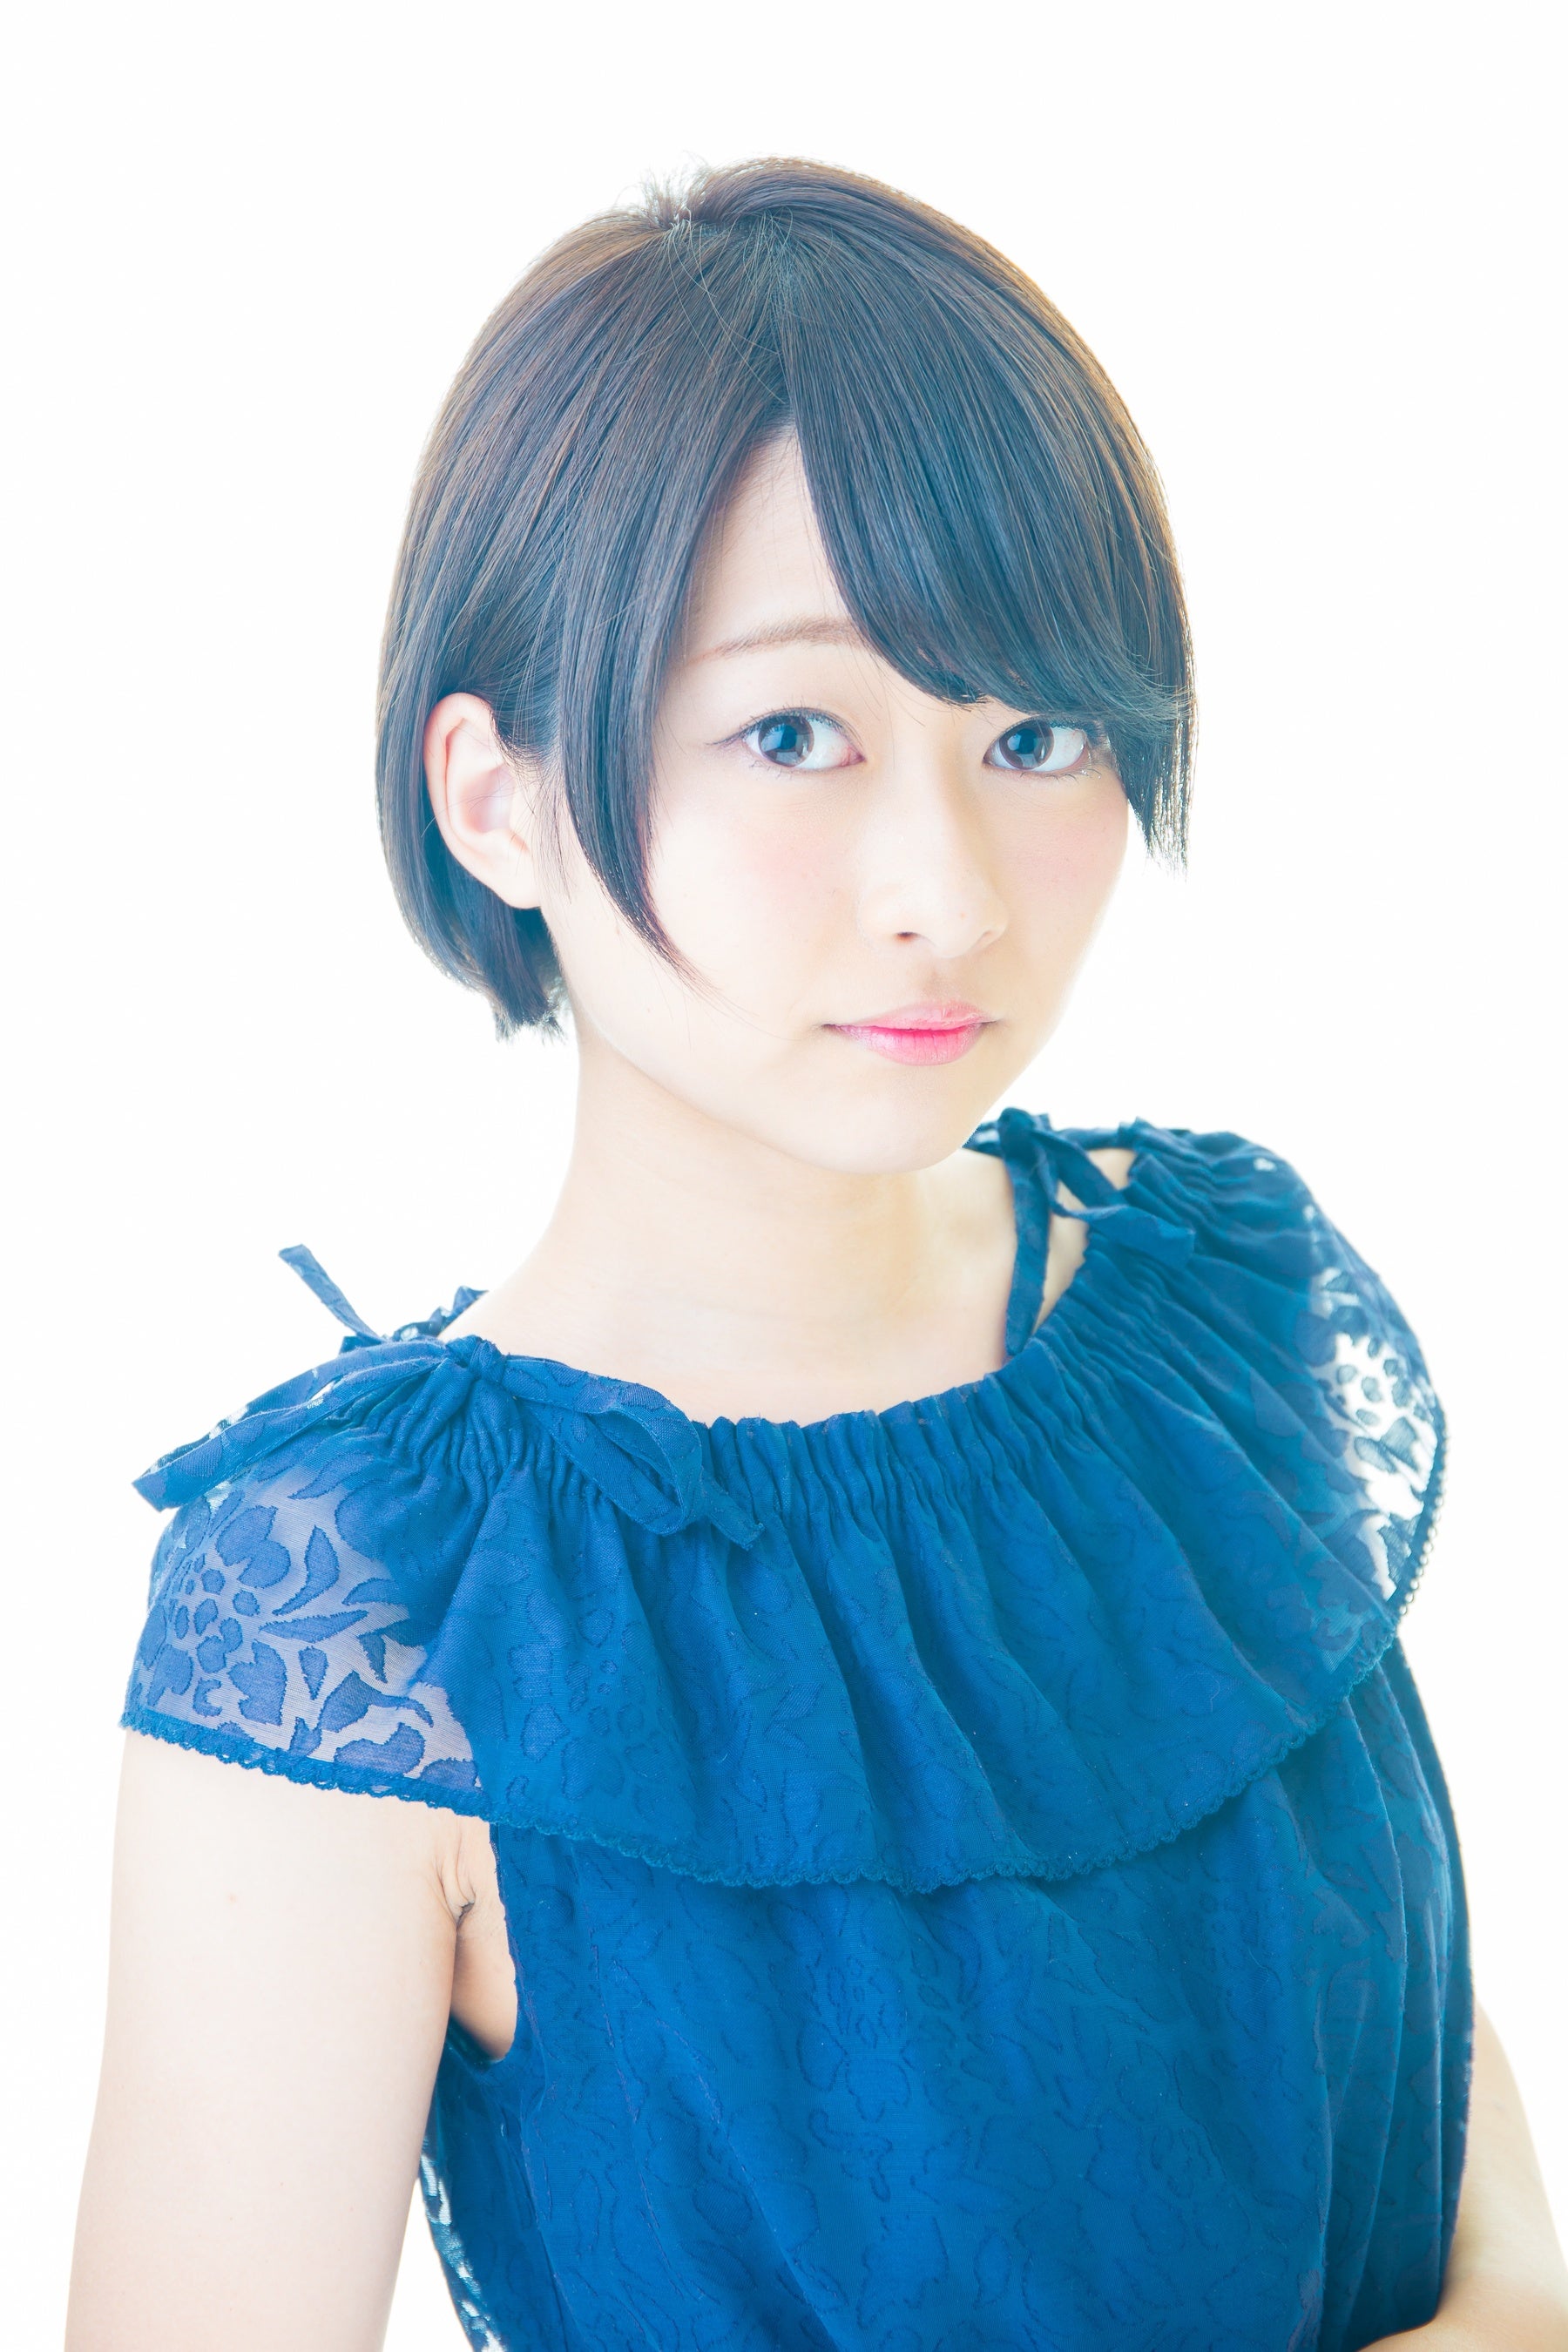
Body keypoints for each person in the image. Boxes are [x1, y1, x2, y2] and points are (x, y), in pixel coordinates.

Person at [66, 159, 1567, 2352]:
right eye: (794, 734)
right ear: (498, 798)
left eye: (1033, 735)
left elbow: (1450, 2141)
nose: (947, 892)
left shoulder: (1206, 1320)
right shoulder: (365, 1607)